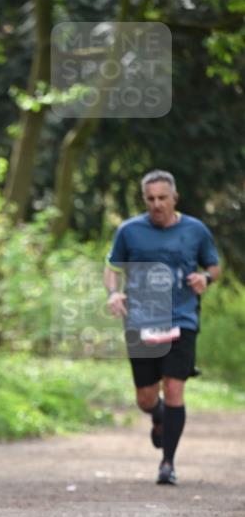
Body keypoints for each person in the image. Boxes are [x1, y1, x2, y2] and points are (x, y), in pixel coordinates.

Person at [104, 169, 220, 485]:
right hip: (141, 319)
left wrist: (205, 278)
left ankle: (167, 464)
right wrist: (114, 293)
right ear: (145, 200)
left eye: (162, 198)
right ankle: (157, 417)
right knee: (145, 397)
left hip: (181, 318)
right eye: (150, 199)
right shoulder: (129, 231)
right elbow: (112, 268)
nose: (156, 204)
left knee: (173, 387)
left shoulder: (195, 230)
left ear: (174, 198)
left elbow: (213, 265)